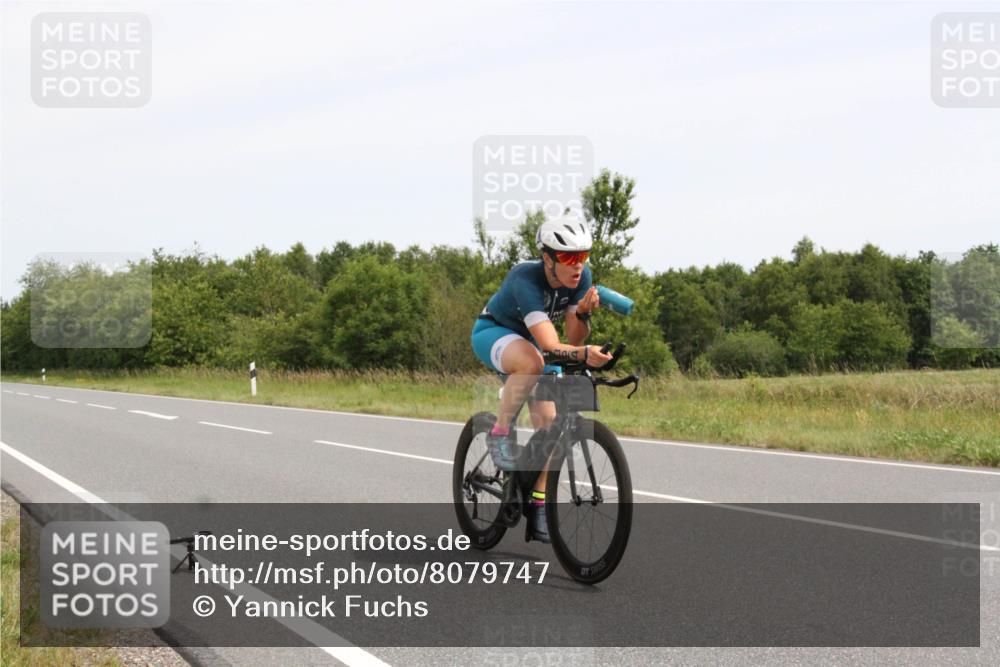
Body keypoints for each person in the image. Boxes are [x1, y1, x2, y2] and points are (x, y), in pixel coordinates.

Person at [470, 214, 612, 542]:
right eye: (568, 257)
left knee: (550, 425)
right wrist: (584, 352)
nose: (578, 265)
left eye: (583, 256)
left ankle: (536, 503)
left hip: (533, 342)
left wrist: (585, 314)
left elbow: (572, 340)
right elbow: (550, 345)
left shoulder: (581, 277)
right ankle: (499, 433)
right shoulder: (526, 278)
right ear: (548, 258)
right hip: (495, 332)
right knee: (533, 362)